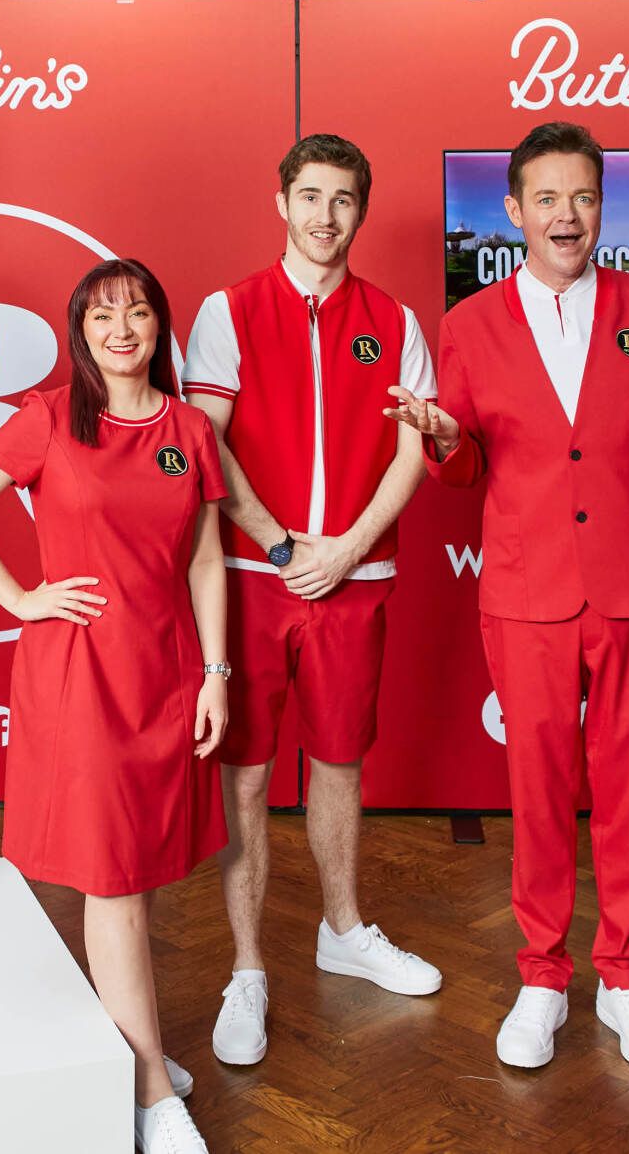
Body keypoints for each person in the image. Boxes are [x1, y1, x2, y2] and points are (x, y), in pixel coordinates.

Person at [388, 121, 629, 1073]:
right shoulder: (468, 325)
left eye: (582, 196)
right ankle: (542, 977)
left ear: (601, 206)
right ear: (513, 212)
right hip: (526, 590)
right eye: (545, 198)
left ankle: (626, 980)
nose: (565, 215)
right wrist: (440, 437)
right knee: (538, 794)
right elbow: (461, 471)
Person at [0, 259, 230, 1154]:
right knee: (113, 882)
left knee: (142, 870)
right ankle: (147, 1088)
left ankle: (124, 1050)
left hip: (166, 671)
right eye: (103, 317)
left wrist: (217, 671)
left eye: (139, 311)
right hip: (81, 675)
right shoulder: (50, 419)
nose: (123, 329)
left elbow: (208, 559)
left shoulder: (187, 430)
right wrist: (22, 598)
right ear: (81, 332)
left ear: (158, 327)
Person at [181, 133, 443, 1068]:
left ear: (359, 212)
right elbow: (203, 445)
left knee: (338, 765)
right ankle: (247, 969)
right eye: (309, 196)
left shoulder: (394, 318)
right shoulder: (228, 310)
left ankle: (343, 930)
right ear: (280, 202)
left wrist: (348, 549)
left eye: (341, 199)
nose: (324, 216)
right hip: (256, 580)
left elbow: (416, 449)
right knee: (245, 776)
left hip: (355, 580)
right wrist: (285, 545)